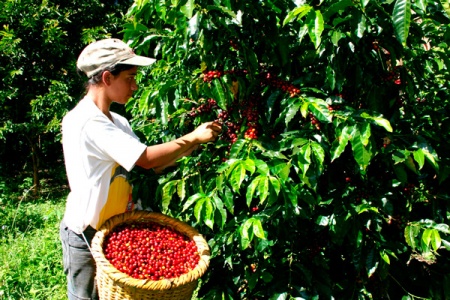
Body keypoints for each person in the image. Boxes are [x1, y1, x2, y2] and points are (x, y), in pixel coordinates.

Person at [59, 38, 222, 300]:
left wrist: (193, 149)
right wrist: (192, 137)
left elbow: (145, 168)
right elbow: (146, 158)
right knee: (85, 297)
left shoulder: (117, 122)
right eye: (130, 77)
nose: (135, 86)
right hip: (86, 232)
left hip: (116, 227)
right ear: (107, 77)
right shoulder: (87, 121)